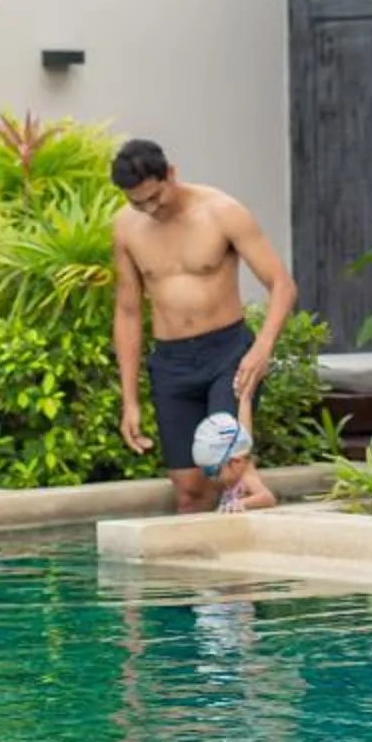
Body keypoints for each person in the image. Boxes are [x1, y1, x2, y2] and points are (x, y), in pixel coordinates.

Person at [110, 139, 292, 513]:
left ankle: (253, 532)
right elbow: (128, 312)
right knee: (189, 491)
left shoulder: (222, 212)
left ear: (171, 174)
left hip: (227, 354)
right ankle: (199, 570)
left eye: (155, 197)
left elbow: (282, 285)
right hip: (171, 362)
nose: (149, 209)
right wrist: (129, 401)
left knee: (226, 467)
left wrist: (262, 349)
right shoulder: (127, 228)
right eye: (137, 202)